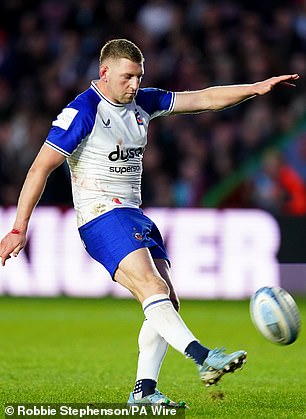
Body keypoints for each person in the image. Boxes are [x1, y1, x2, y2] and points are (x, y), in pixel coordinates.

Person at [0, 39, 299, 407]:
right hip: (100, 216)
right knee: (151, 284)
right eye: (127, 77)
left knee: (166, 299)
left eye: (139, 77)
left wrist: (254, 88)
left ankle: (144, 391)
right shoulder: (82, 112)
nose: (134, 85)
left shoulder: (143, 101)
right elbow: (39, 168)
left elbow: (203, 98)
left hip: (132, 213)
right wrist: (18, 227)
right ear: (104, 72)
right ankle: (204, 357)